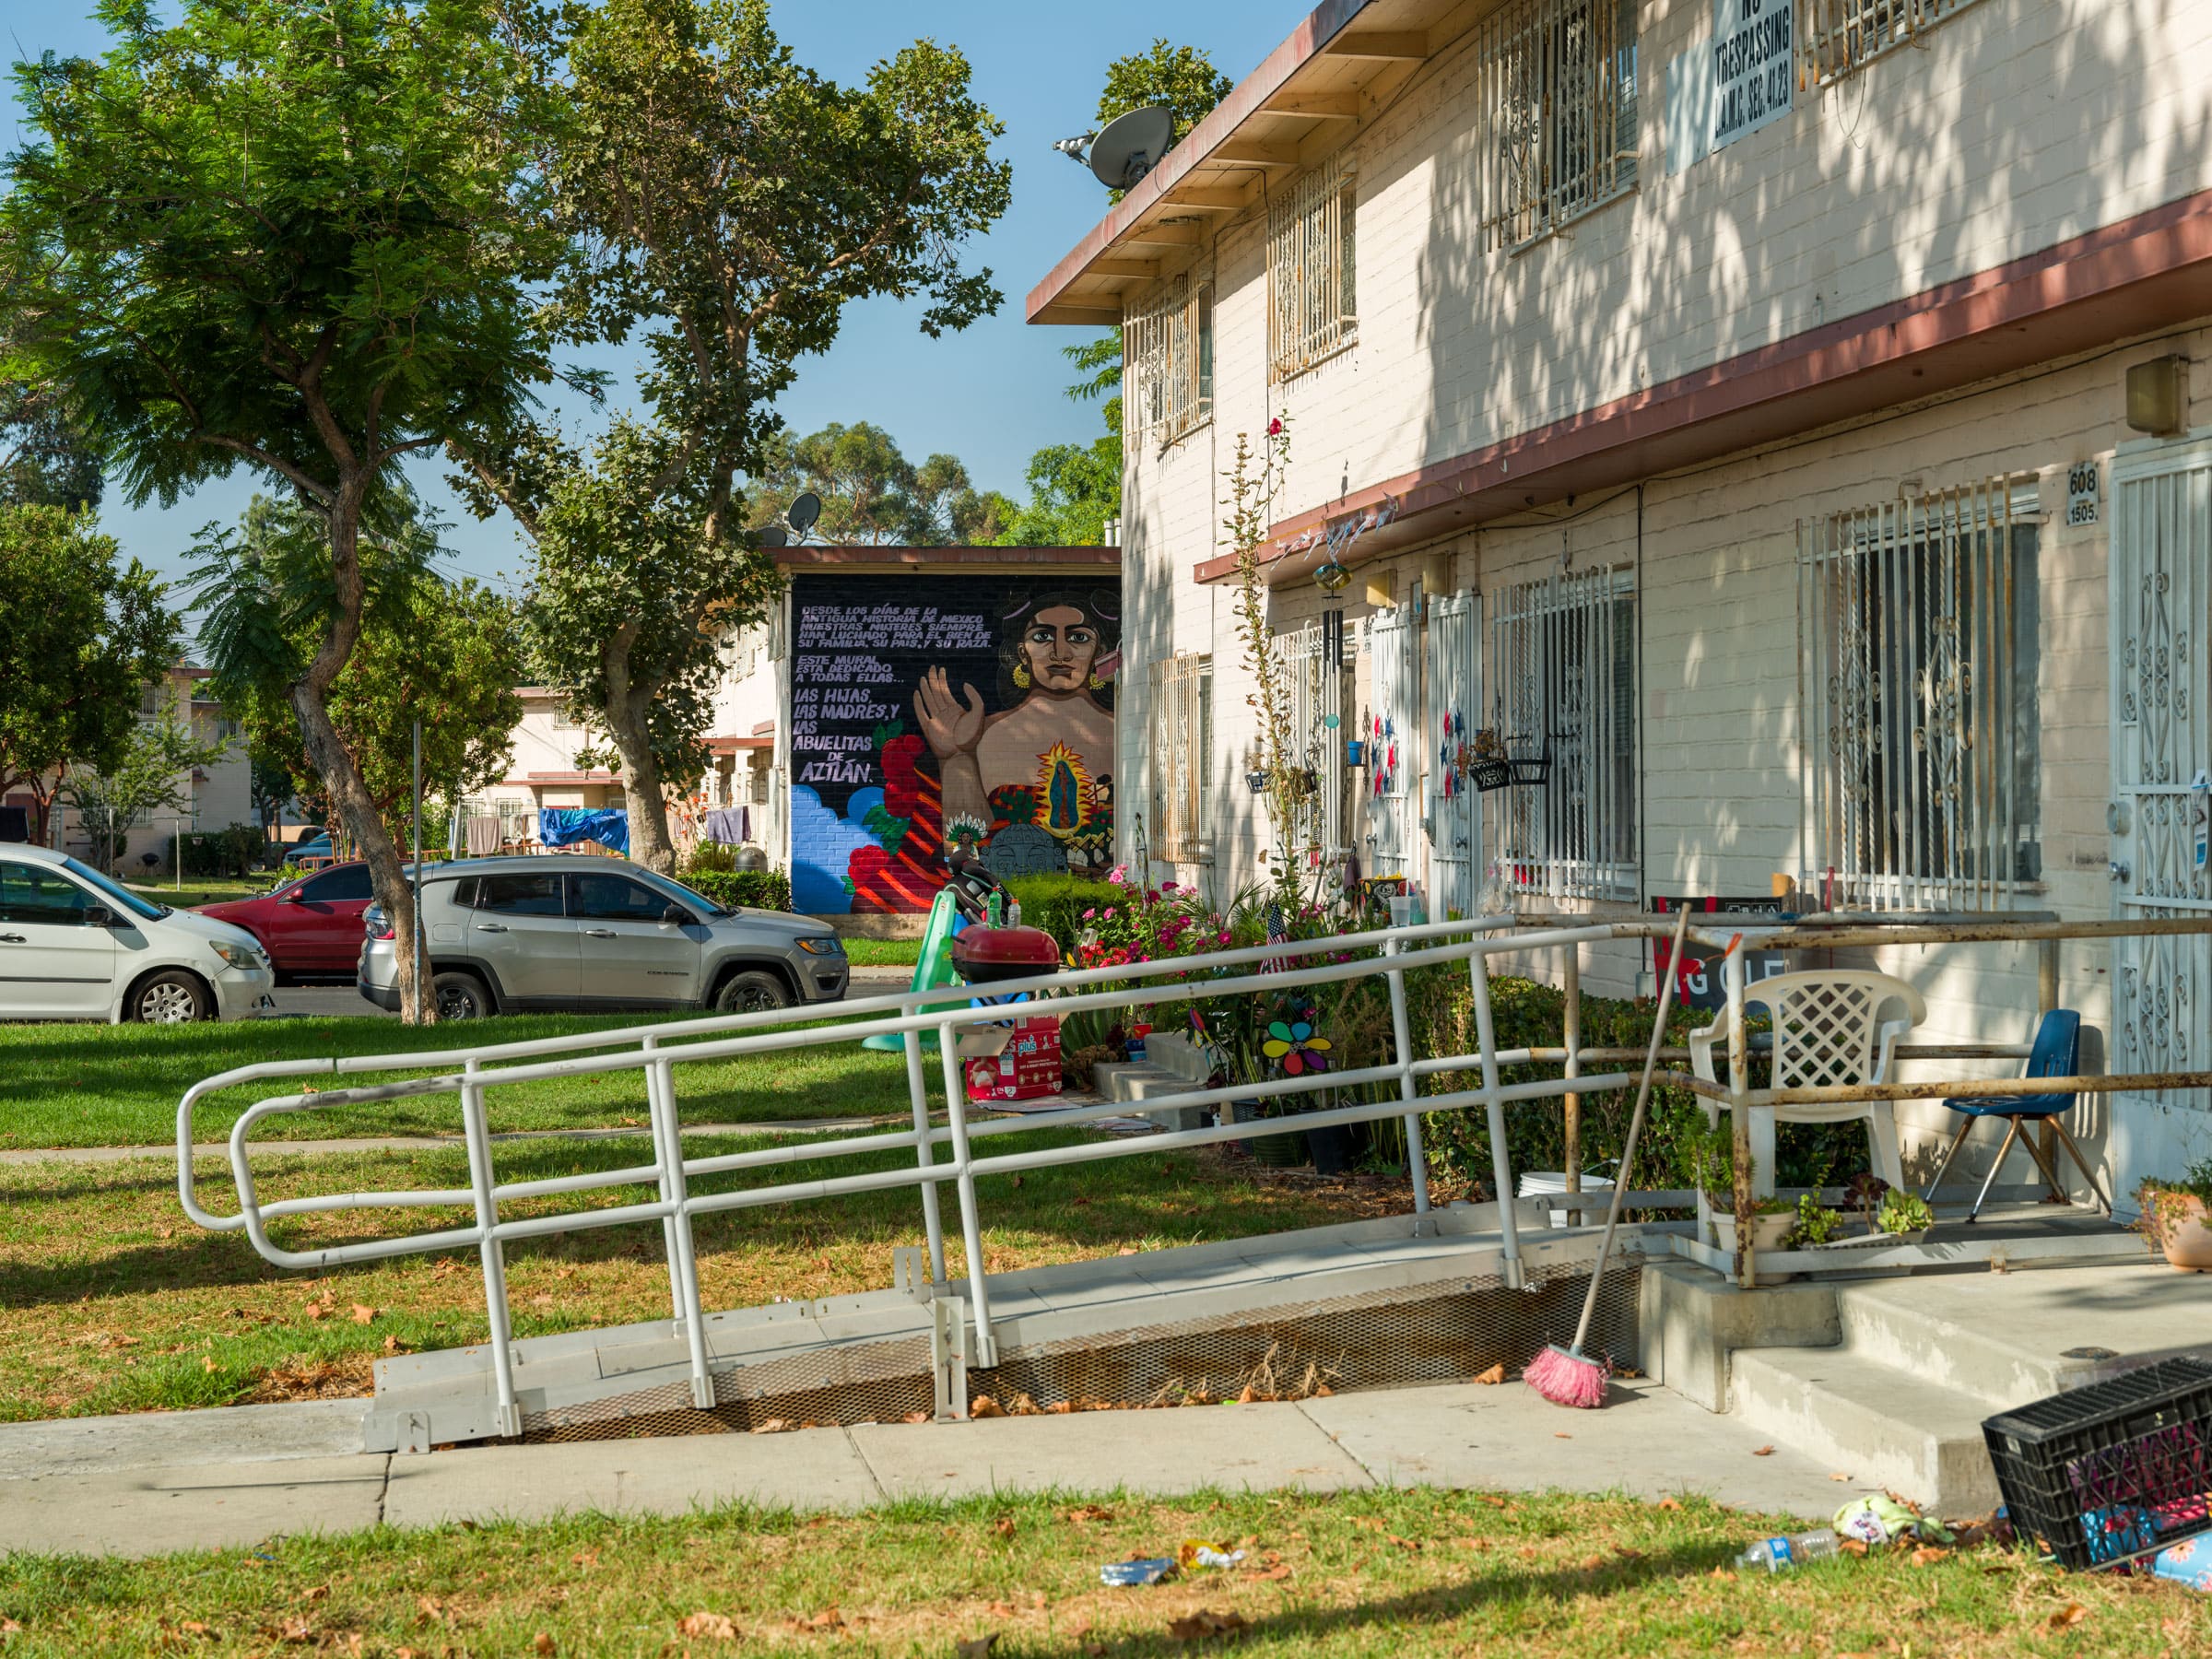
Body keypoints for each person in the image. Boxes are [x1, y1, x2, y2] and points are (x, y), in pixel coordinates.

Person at [913, 591, 1116, 846]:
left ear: (1100, 651)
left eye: (1079, 637)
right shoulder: (982, 733)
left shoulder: (1125, 733)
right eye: (1043, 636)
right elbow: (964, 849)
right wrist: (955, 758)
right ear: (1022, 652)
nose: (1060, 653)